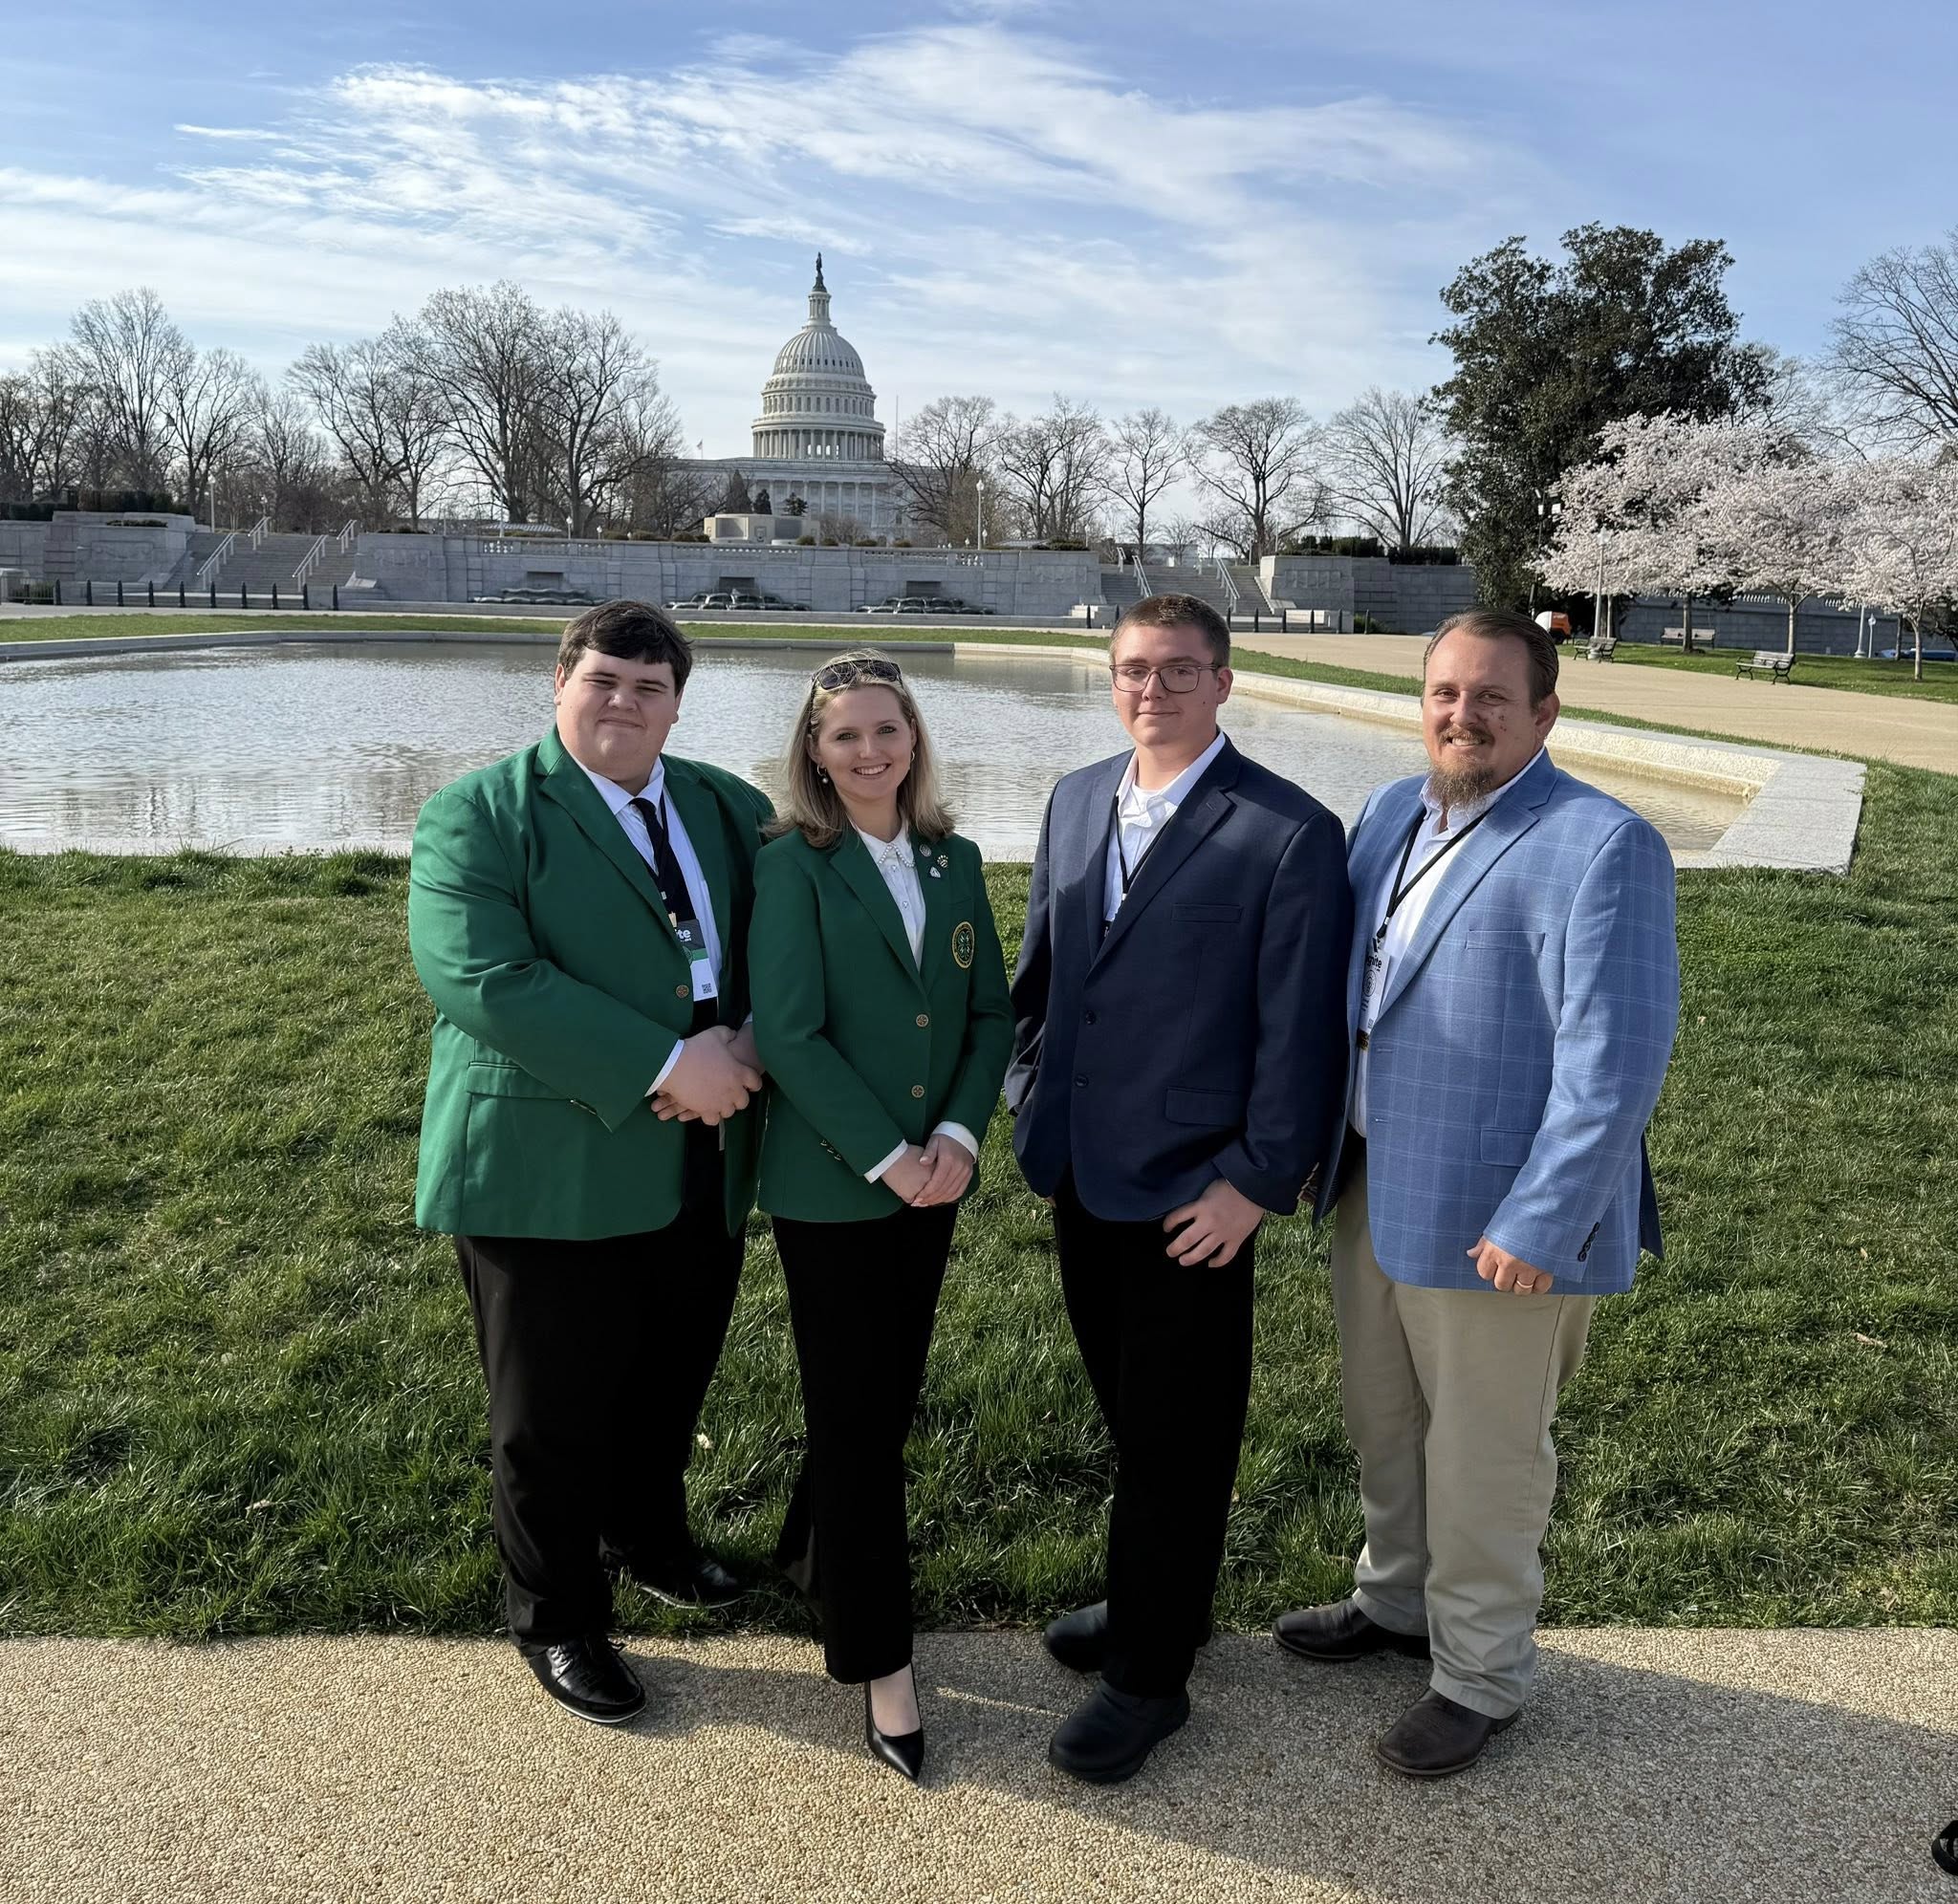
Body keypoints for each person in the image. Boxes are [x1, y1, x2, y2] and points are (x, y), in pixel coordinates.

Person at [1275, 606, 1681, 1778]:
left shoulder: (1601, 842)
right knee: (1384, 1423)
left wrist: (1542, 1220)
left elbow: (1613, 1065)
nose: (1463, 716)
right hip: (1371, 1182)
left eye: (1491, 698)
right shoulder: (1388, 812)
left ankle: (1480, 1674)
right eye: (1444, 694)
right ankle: (1396, 1601)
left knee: (1485, 1459)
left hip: (1500, 1219)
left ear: (1544, 712)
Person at [408, 600, 773, 1726]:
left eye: (649, 686)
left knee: (669, 1377)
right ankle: (556, 1614)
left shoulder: (729, 806)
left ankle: (650, 1541)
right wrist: (669, 1062)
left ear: (677, 702)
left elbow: (797, 935)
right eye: (602, 679)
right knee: (549, 1408)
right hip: (548, 1157)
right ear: (558, 682)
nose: (624, 702)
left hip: (706, 1152)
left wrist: (757, 1044)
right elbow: (482, 977)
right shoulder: (478, 814)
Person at [1007, 594, 1353, 1784]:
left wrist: (1254, 1182)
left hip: (1192, 1195)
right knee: (1128, 1415)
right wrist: (1025, 1095)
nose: (1149, 691)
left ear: (1222, 679)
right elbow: (1042, 981)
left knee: (1178, 1436)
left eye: (1175, 672)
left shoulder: (1287, 831)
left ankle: (1150, 1677)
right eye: (1129, 670)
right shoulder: (1073, 797)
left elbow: (1298, 1030)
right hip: (1074, 1170)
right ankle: (1158, 1601)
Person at [748, 649, 1012, 1784]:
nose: (869, 752)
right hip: (836, 1186)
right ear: (814, 751)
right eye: (844, 735)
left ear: (914, 740)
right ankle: (880, 1661)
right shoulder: (793, 866)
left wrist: (952, 1138)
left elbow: (987, 1011)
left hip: (933, 1181)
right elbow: (791, 1034)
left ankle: (813, 1557)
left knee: (877, 1399)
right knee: (860, 1426)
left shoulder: (953, 861)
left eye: (886, 731)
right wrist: (885, 1157)